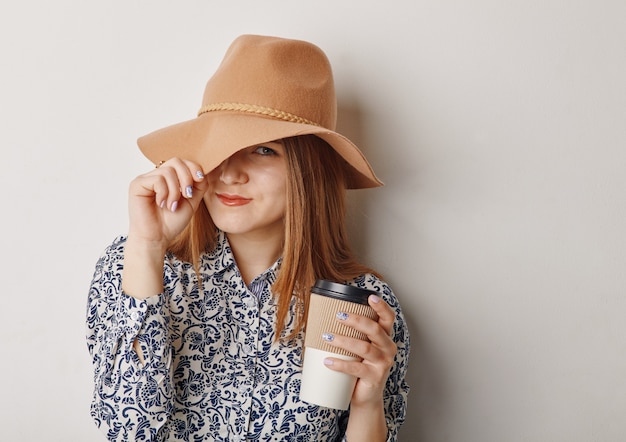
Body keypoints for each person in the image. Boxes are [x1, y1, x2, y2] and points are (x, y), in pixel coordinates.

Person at [86, 34, 410, 442]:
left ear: (308, 171)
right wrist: (148, 247)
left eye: (262, 150)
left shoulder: (363, 303)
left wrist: (368, 402)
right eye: (221, 146)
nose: (229, 173)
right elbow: (127, 430)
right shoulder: (130, 265)